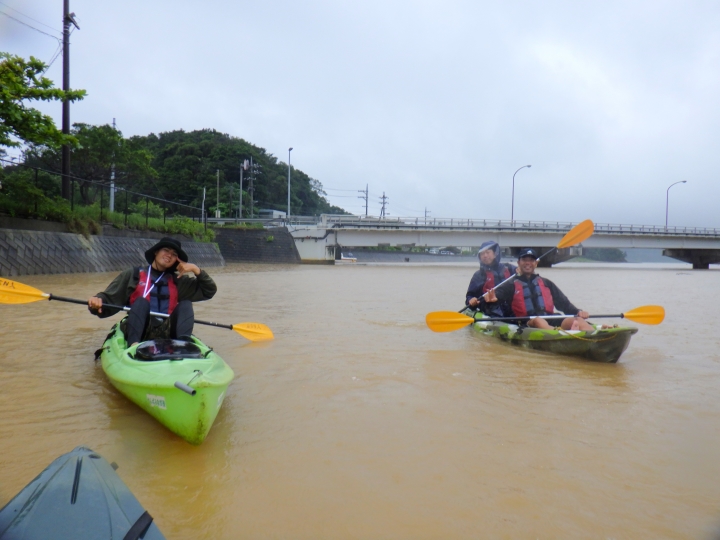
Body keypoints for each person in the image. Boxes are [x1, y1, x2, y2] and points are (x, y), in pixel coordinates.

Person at [88, 237, 217, 346]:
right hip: (140, 329)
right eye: (166, 250)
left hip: (167, 331)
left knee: (186, 304)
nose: (169, 256)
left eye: (174, 254)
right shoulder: (133, 275)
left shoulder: (178, 280)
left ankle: (182, 346)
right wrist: (98, 301)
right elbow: (109, 298)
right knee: (141, 302)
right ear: (156, 252)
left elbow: (209, 291)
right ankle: (133, 347)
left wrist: (196, 270)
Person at [480, 248, 594, 331]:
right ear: (519, 263)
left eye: (531, 260)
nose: (528, 263)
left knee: (575, 320)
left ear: (536, 263)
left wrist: (578, 312)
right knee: (539, 320)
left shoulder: (546, 283)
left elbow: (564, 304)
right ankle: (562, 334)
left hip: (550, 319)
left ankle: (597, 336)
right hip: (527, 323)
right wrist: (492, 300)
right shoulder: (510, 285)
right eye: (524, 260)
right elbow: (495, 302)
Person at [465, 241, 517, 317]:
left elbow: (525, 276)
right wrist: (471, 299)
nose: (485, 256)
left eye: (487, 252)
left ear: (495, 254)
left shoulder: (510, 268)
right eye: (482, 254)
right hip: (490, 310)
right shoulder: (478, 275)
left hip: (510, 308)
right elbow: (470, 296)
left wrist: (522, 271)